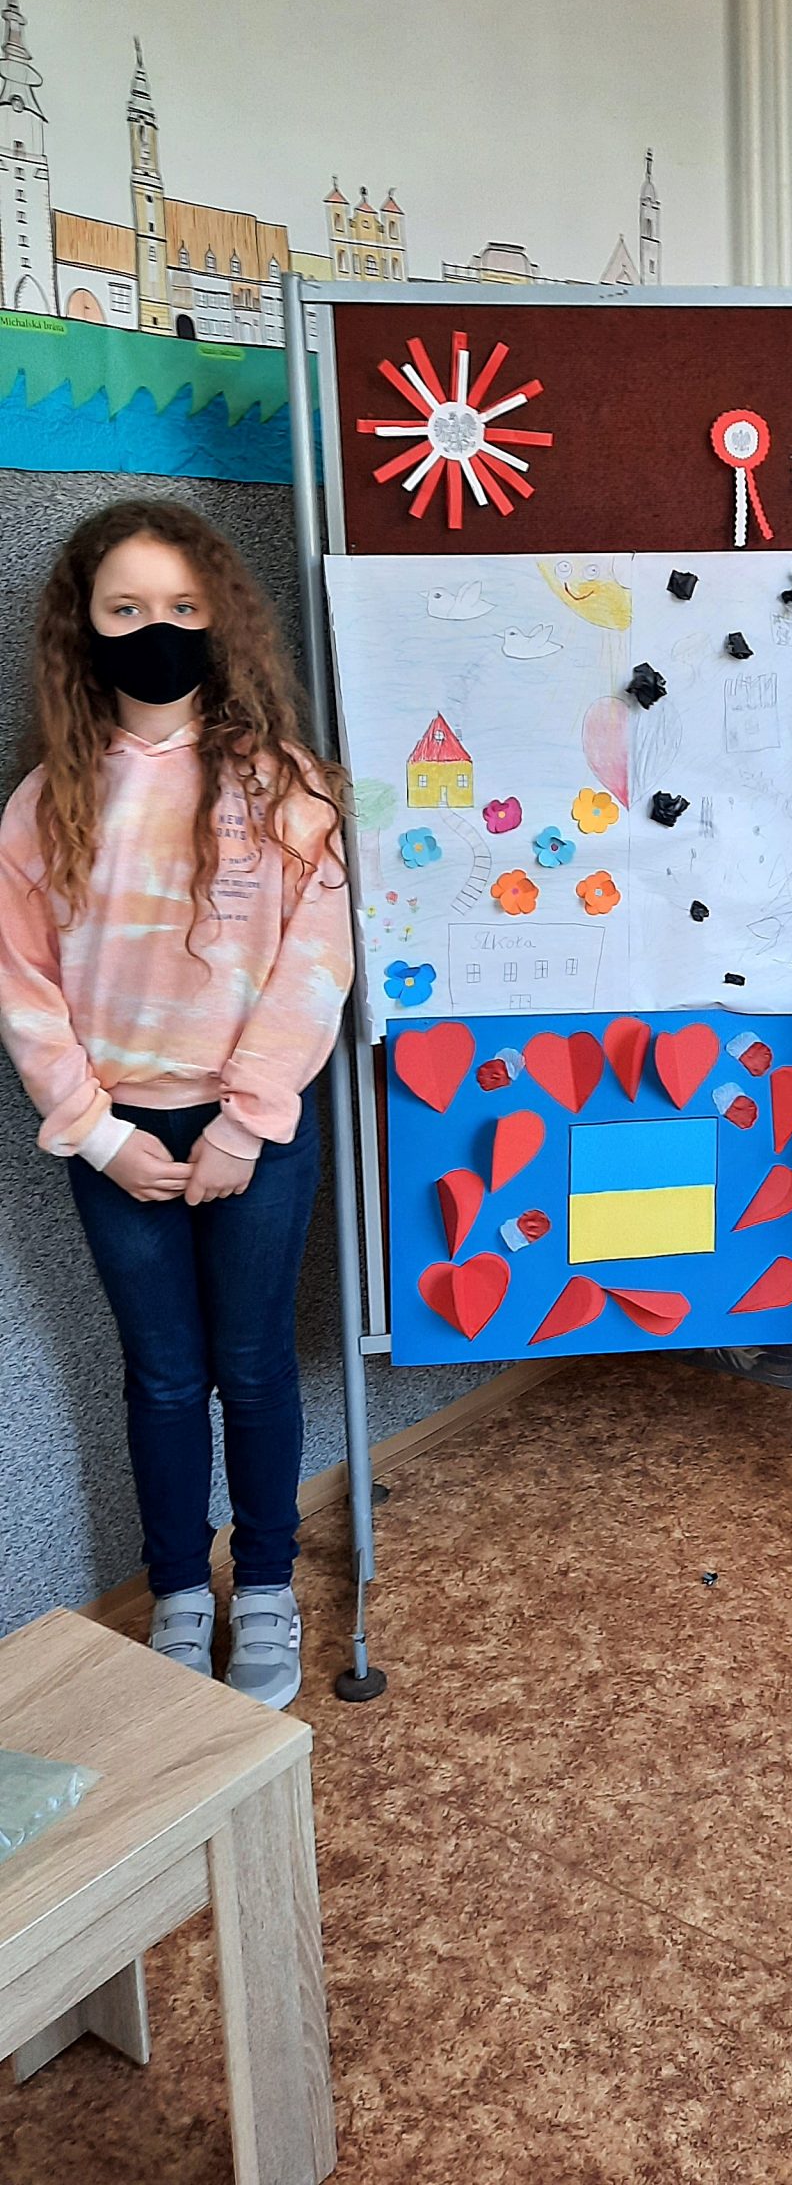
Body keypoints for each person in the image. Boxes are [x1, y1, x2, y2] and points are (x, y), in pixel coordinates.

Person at [0, 502, 352, 1709]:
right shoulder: (43, 805)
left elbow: (316, 965)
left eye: (183, 607)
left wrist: (245, 1121)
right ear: (84, 626)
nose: (158, 629)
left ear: (222, 620)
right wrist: (99, 1133)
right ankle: (177, 1591)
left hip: (257, 1134)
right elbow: (25, 991)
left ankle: (267, 1583)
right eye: (128, 608)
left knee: (252, 1368)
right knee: (159, 1376)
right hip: (113, 1141)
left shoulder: (286, 789)